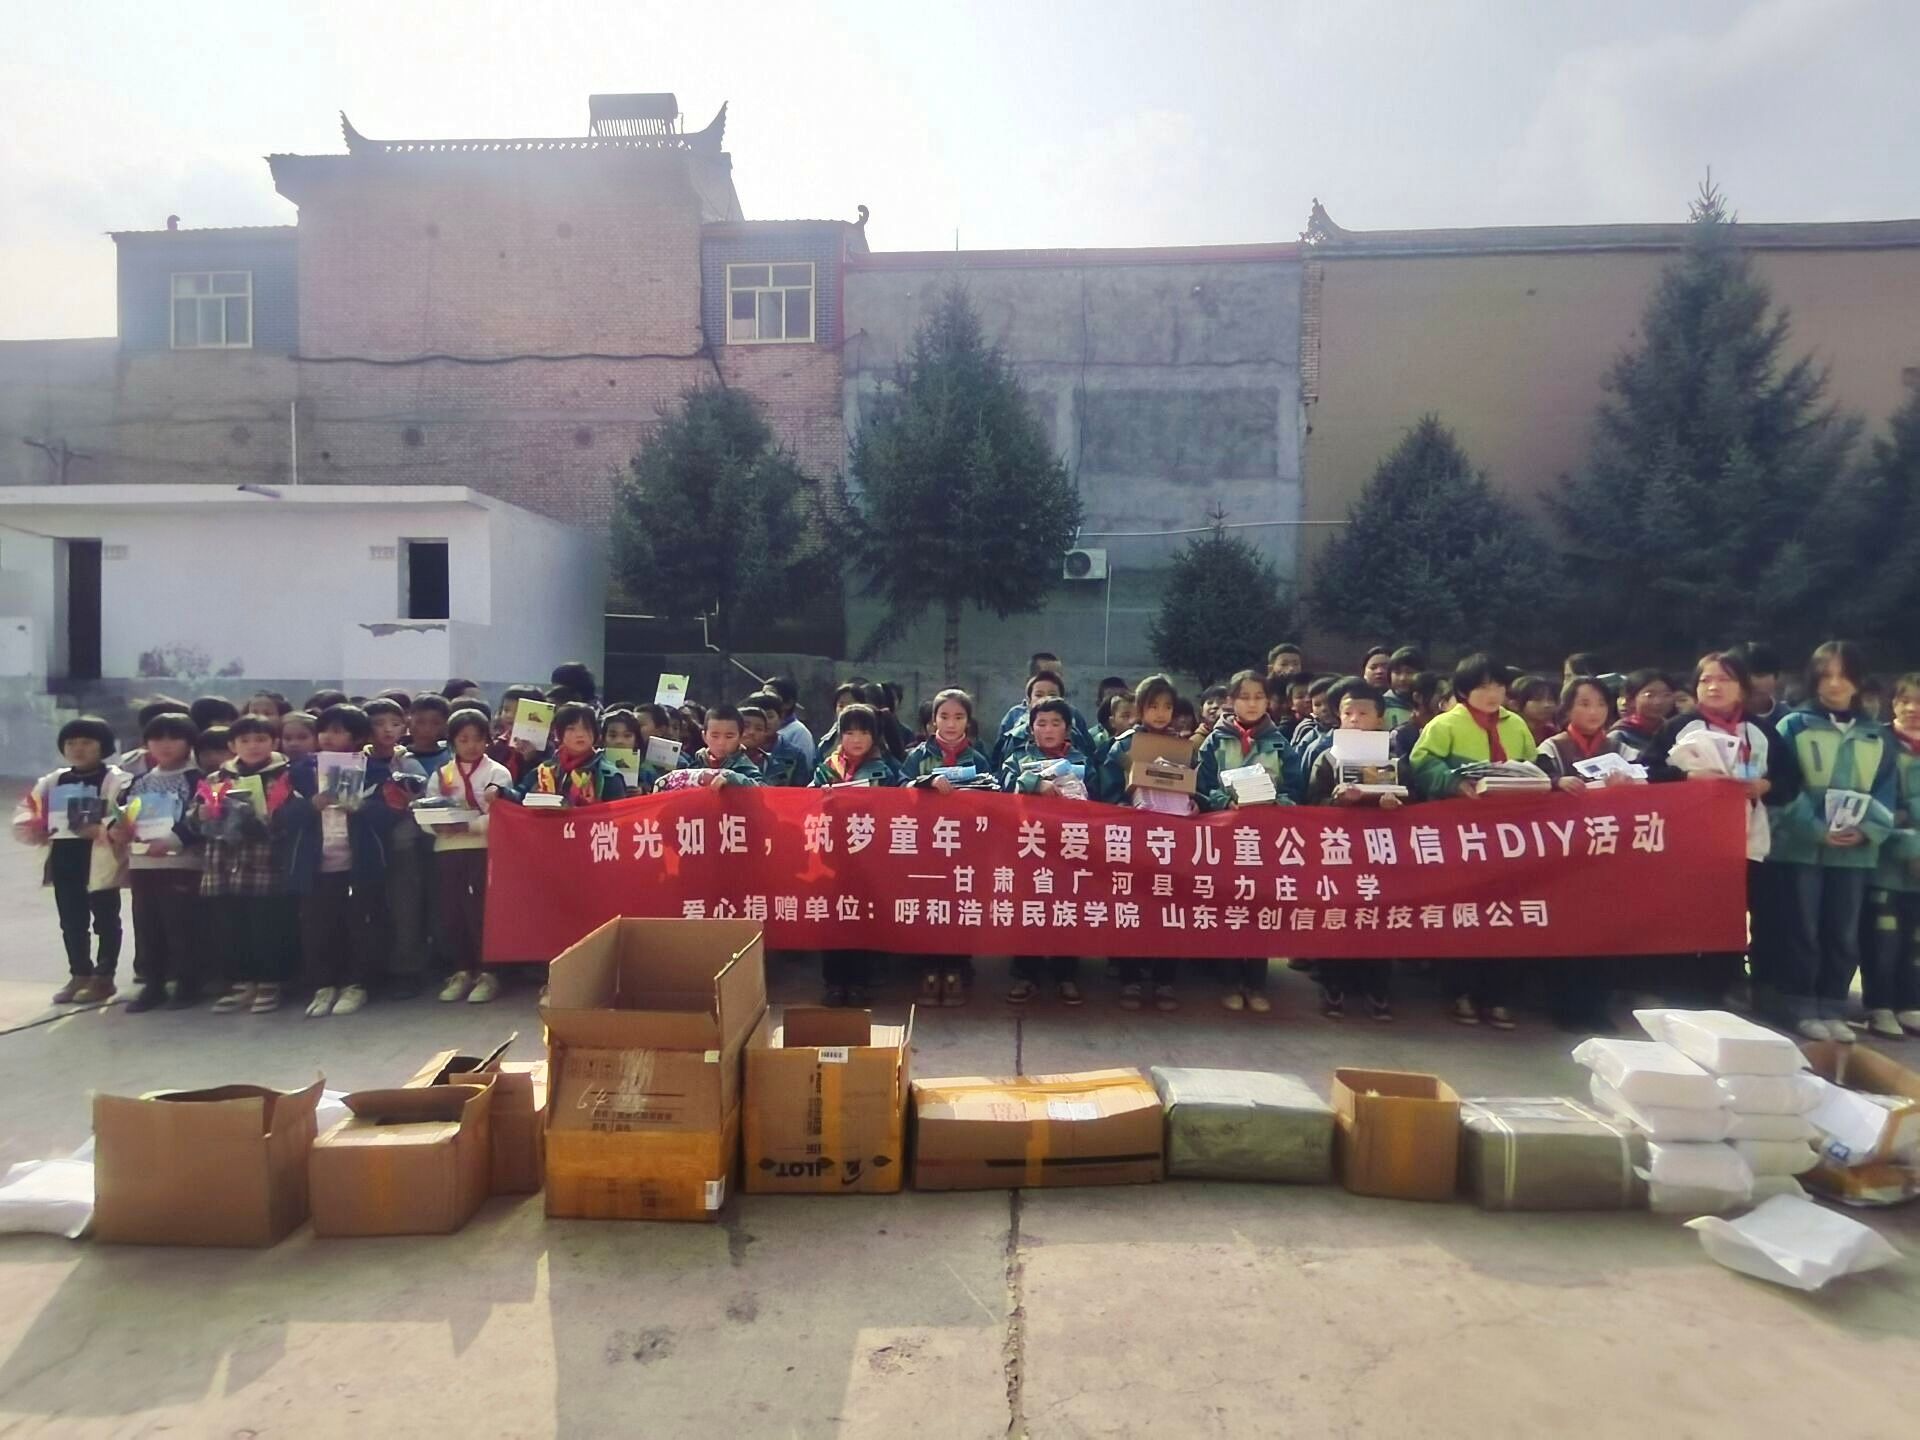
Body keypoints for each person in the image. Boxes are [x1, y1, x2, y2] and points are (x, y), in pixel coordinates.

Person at [1642, 652, 1788, 1013]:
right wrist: (1688, 777)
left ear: (1742, 687)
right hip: (1688, 844)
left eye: (1724, 679)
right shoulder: (1678, 727)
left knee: (1732, 918)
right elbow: (1646, 771)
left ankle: (1725, 990)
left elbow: (1791, 779)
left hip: (1747, 841)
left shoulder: (1761, 731)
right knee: (1688, 915)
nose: (1713, 686)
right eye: (1706, 680)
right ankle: (1679, 992)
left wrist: (1765, 785)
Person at [1767, 641, 1897, 1042]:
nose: (1835, 684)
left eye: (1844, 676)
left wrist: (1869, 829)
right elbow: (1783, 787)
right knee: (1802, 930)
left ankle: (1833, 1005)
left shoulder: (1876, 735)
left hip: (1855, 854)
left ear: (1858, 681)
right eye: (1826, 676)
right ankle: (1800, 1006)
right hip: (1800, 849)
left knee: (1843, 932)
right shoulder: (1793, 726)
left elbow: (1886, 791)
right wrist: (1815, 828)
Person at [1409, 654, 1537, 1029]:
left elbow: (1533, 766)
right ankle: (1460, 992)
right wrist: (1453, 782)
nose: (1492, 693)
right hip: (1460, 836)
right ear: (1464, 690)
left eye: (1498, 685)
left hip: (1509, 837)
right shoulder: (1445, 724)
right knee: (1464, 915)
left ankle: (1497, 996)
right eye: (1482, 686)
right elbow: (1420, 763)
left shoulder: (1517, 725)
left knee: (1506, 916)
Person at [1097, 676, 1213, 1011]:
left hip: (1173, 842)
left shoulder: (1183, 747)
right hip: (1133, 841)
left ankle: (1164, 979)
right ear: (1139, 708)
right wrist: (1124, 806)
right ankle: (1130, 978)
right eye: (1153, 706)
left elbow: (1199, 787)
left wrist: (1195, 801)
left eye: (1167, 706)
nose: (1161, 713)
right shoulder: (1122, 746)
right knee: (1132, 908)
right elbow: (1107, 792)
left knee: (1170, 910)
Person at [1305, 681, 1411, 1022]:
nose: (1355, 719)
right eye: (1348, 713)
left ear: (1380, 718)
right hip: (1338, 855)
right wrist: (1336, 802)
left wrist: (1397, 805)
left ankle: (1378, 989)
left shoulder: (1395, 760)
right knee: (1336, 918)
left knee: (1378, 920)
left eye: (1363, 713)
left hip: (1381, 855)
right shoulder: (1327, 758)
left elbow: (1417, 803)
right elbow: (1310, 805)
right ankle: (1332, 987)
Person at [12, 717, 128, 1004]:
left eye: (87, 742)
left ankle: (104, 977)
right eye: (71, 743)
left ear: (103, 746)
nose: (78, 748)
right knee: (71, 921)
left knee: (105, 919)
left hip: (99, 857)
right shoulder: (53, 780)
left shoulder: (116, 780)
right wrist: (34, 826)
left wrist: (102, 829)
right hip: (64, 857)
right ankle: (79, 974)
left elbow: (125, 814)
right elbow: (28, 809)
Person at [191, 714, 300, 1014]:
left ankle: (270, 983)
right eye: (245, 740)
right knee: (231, 927)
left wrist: (268, 820)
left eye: (261, 739)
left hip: (265, 865)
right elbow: (193, 816)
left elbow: (294, 819)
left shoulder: (286, 776)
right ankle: (241, 983)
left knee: (266, 927)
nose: (253, 746)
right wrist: (201, 814)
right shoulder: (217, 779)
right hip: (223, 865)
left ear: (274, 742)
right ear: (232, 745)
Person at [1200, 670, 1293, 1011]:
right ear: (1231, 701)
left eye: (1259, 697)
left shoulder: (1280, 742)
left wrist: (1277, 803)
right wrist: (1225, 802)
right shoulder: (1214, 741)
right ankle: (1229, 982)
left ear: (1269, 701)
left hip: (1265, 841)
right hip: (1226, 839)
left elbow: (1295, 788)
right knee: (1228, 909)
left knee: (1259, 911)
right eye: (1244, 697)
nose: (1252, 704)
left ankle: (1256, 984)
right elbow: (1201, 786)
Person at [897, 689, 994, 1006]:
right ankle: (928, 967)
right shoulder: (918, 757)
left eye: (959, 717)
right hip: (927, 844)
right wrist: (924, 783)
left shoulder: (978, 758)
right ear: (932, 721)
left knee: (961, 905)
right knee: (929, 904)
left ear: (969, 721)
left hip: (964, 846)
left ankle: (957, 967)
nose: (951, 724)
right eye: (944, 716)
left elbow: (994, 794)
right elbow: (899, 787)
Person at [288, 703, 385, 1018]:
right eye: (324, 731)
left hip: (359, 863)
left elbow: (393, 813)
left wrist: (362, 808)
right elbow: (280, 815)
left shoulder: (375, 770)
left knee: (360, 925)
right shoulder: (300, 771)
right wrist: (309, 806)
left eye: (338, 731)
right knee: (318, 927)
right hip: (315, 865)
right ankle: (324, 985)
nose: (328, 737)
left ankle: (357, 984)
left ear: (357, 738)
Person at [106, 712, 203, 1012]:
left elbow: (200, 818)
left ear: (190, 743)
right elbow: (120, 814)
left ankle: (188, 984)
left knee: (181, 925)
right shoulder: (138, 781)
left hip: (181, 864)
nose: (165, 744)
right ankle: (154, 984)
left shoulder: (197, 779)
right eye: (157, 738)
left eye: (174, 737)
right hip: (142, 864)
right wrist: (116, 830)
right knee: (148, 925)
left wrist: (172, 841)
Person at [999, 696, 1089, 1007]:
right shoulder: (1017, 757)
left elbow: (1099, 794)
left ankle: (1066, 974)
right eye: (1041, 723)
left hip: (1070, 845)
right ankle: (1026, 974)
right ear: (1031, 728)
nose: (1048, 730)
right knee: (1029, 908)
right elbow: (1004, 784)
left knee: (1067, 908)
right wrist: (1033, 783)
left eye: (1055, 723)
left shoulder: (1081, 759)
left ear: (1068, 728)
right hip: (1029, 845)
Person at [811, 704, 896, 1007]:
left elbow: (899, 807)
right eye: (848, 732)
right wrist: (822, 797)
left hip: (869, 857)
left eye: (863, 732)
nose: (856, 739)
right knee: (832, 917)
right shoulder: (826, 767)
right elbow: (805, 800)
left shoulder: (885, 770)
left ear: (875, 735)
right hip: (832, 855)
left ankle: (859, 982)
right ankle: (834, 983)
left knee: (861, 918)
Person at [430, 709, 515, 1005]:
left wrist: (470, 826)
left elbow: (503, 813)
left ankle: (490, 972)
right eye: (463, 739)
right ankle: (462, 970)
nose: (471, 745)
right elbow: (429, 807)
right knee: (453, 911)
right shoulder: (442, 774)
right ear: (452, 741)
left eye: (478, 739)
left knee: (482, 910)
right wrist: (436, 825)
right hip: (448, 849)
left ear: (488, 740)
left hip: (484, 847)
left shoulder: (497, 773)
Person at [1864, 672, 1920, 1037]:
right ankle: (1880, 1004)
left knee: (1916, 940)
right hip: (1885, 860)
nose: (1912, 709)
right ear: (1893, 703)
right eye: (1905, 700)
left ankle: (1910, 1002)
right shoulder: (1878, 743)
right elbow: (1882, 806)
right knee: (1883, 937)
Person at [512, 702, 628, 805]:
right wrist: (502, 791)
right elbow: (518, 796)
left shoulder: (608, 775)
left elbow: (619, 813)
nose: (580, 734)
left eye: (586, 728)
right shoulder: (546, 769)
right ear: (559, 733)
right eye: (571, 728)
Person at [1610, 669, 1676, 762]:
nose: (1659, 702)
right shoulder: (1620, 735)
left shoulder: (1675, 730)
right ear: (1631, 700)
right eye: (1649, 695)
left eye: (1666, 695)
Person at [693, 706, 766, 784]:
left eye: (729, 737)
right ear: (704, 737)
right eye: (715, 736)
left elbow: (762, 788)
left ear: (740, 738)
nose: (721, 743)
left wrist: (732, 779)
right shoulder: (697, 763)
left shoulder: (744, 767)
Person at [1389, 672, 1447, 761]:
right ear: (1418, 697)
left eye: (1448, 693)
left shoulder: (1449, 730)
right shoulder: (1401, 735)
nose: (1446, 698)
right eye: (1440, 692)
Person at [763, 675, 817, 768]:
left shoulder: (799, 732)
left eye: (771, 696)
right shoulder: (758, 728)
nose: (764, 699)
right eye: (763, 694)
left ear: (788, 703)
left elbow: (805, 768)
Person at [1510, 675, 1560, 745]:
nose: (1547, 705)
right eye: (1537, 699)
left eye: (1551, 699)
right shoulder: (1507, 733)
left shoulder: (1554, 735)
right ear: (1515, 704)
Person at [1383, 647, 1425, 729]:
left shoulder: (1429, 705)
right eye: (1397, 672)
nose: (1402, 678)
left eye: (1409, 672)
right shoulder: (1381, 705)